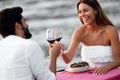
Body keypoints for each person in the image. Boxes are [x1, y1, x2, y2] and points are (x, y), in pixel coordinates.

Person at [0, 7, 61, 80]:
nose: (27, 25)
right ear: (17, 26)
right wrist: (53, 56)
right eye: (24, 22)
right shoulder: (29, 46)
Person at [61, 0, 120, 75]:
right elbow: (67, 59)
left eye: (85, 10)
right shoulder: (79, 32)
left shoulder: (110, 31)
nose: (82, 14)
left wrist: (106, 67)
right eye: (79, 12)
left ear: (95, 11)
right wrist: (61, 51)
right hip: (87, 76)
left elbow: (118, 60)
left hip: (109, 74)